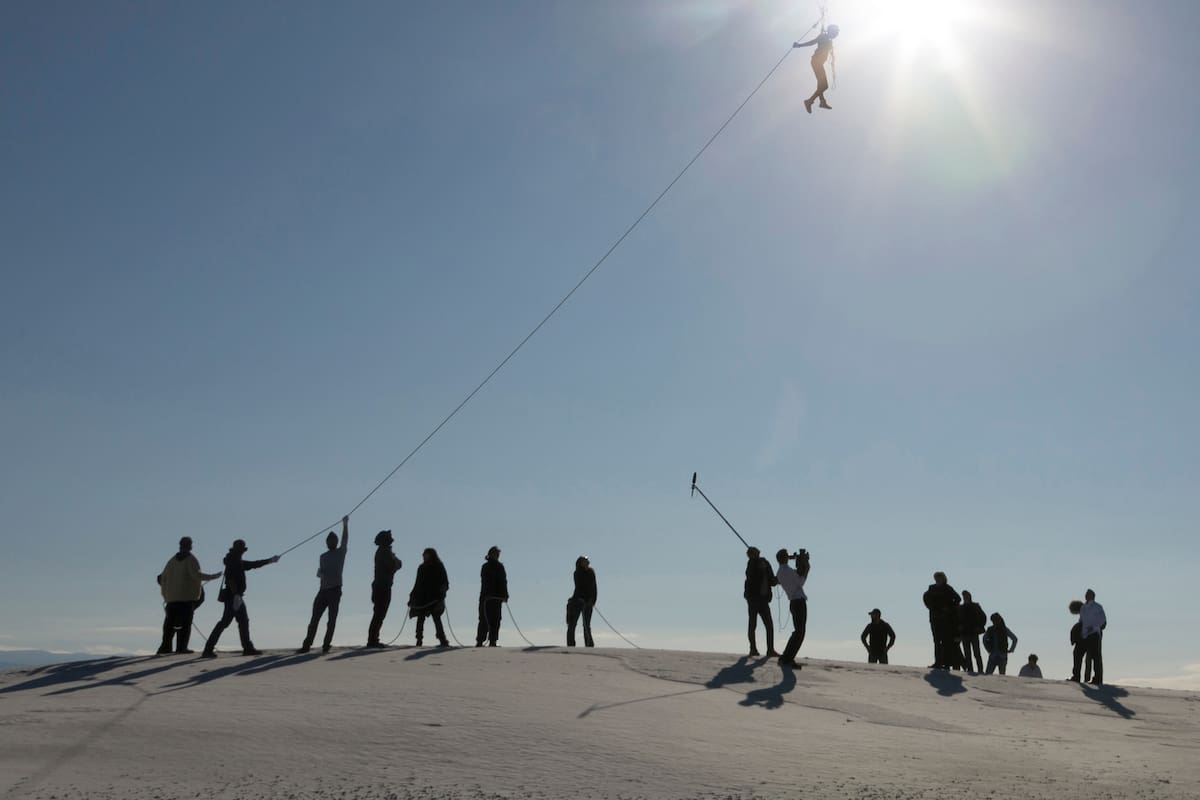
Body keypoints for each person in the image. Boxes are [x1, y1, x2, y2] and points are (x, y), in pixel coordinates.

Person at [201, 539, 279, 658]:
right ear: (240, 550)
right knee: (231, 622)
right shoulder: (234, 561)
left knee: (234, 621)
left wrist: (269, 561)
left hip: (233, 596)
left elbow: (252, 565)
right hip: (233, 597)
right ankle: (244, 648)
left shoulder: (235, 560)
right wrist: (236, 595)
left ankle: (213, 648)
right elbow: (231, 578)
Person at [157, 537, 222, 655]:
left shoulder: (171, 561)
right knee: (185, 625)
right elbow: (196, 575)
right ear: (190, 546)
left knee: (169, 626)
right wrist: (213, 576)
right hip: (186, 599)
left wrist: (166, 595)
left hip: (171, 600)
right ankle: (181, 648)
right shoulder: (190, 559)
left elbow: (162, 578)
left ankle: (165, 648)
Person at [298, 516, 349, 654]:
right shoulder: (323, 556)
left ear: (336, 542)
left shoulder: (340, 552)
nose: (331, 542)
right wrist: (320, 576)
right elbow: (321, 573)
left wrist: (345, 525)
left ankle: (326, 645)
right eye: (329, 541)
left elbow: (345, 540)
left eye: (333, 540)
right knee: (314, 619)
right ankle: (307, 645)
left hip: (335, 590)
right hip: (323, 591)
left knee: (331, 619)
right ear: (326, 543)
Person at [774, 548, 810, 669]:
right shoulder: (786, 571)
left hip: (794, 602)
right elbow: (800, 581)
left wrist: (800, 564)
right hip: (798, 602)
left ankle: (786, 657)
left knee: (798, 632)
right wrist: (806, 568)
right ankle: (787, 658)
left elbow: (796, 575)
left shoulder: (781, 571)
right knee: (799, 632)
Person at [366, 530, 402, 648]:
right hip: (382, 587)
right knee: (379, 614)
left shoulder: (384, 551)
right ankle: (373, 640)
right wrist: (395, 561)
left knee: (379, 614)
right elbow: (394, 565)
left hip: (381, 586)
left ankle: (373, 638)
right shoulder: (384, 552)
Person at [408, 547, 450, 647]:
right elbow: (417, 583)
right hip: (422, 598)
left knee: (436, 618)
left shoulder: (438, 566)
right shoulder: (421, 568)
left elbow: (445, 581)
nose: (423, 556)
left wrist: (442, 593)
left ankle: (442, 640)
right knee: (420, 618)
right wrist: (412, 595)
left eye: (425, 554)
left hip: (435, 597)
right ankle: (419, 640)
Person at [794, 24, 840, 113]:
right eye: (835, 33)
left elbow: (831, 54)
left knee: (821, 85)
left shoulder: (829, 41)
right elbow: (812, 42)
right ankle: (809, 101)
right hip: (816, 62)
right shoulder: (823, 36)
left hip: (819, 63)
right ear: (831, 31)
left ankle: (822, 102)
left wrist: (833, 68)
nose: (835, 35)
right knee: (824, 86)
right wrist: (799, 45)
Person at [744, 547, 779, 658]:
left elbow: (772, 581)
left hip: (763, 599)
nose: (752, 556)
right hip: (754, 599)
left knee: (769, 625)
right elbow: (751, 577)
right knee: (753, 624)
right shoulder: (751, 565)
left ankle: (770, 650)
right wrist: (761, 569)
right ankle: (753, 648)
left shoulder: (764, 562)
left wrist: (777, 579)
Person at [923, 571, 961, 670]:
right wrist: (930, 607)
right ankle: (938, 662)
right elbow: (925, 598)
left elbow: (957, 599)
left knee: (946, 641)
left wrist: (949, 608)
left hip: (945, 620)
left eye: (939, 578)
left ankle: (947, 663)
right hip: (935, 618)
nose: (937, 579)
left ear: (943, 578)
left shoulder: (948, 588)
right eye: (936, 578)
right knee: (936, 641)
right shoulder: (932, 588)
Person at [476, 545, 508, 647]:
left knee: (496, 619)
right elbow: (486, 581)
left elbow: (504, 582)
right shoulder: (485, 567)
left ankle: (493, 640)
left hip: (497, 598)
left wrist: (505, 595)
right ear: (490, 554)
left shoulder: (500, 567)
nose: (497, 556)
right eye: (495, 554)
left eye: (498, 554)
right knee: (484, 619)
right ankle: (480, 641)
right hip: (486, 597)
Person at [1073, 588, 1107, 685]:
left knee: (1096, 657)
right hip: (1083, 636)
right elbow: (1081, 621)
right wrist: (1077, 629)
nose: (1086, 596)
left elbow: (1102, 620)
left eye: (1088, 594)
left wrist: (1093, 627)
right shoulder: (1083, 608)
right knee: (1077, 653)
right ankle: (1076, 676)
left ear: (1092, 596)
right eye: (1086, 594)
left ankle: (1097, 679)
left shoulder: (1097, 607)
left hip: (1094, 635)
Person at [566, 556, 597, 647]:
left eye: (587, 560)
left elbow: (594, 588)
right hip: (577, 601)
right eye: (585, 561)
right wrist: (582, 599)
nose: (588, 562)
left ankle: (589, 645)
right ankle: (571, 645)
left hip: (589, 602)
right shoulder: (577, 573)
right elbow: (579, 587)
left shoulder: (591, 572)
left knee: (587, 625)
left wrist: (593, 600)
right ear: (581, 563)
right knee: (572, 624)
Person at [959, 589, 987, 673]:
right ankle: (970, 669)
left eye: (966, 596)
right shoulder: (961, 608)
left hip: (973, 633)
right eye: (964, 596)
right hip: (965, 633)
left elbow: (983, 617)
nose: (965, 598)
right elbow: (957, 620)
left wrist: (979, 627)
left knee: (976, 653)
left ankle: (980, 670)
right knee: (967, 654)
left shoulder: (975, 606)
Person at [1068, 600, 1095, 682]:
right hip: (1086, 638)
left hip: (1086, 638)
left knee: (1082, 657)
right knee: (1086, 658)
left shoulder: (1087, 613)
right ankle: (1081, 677)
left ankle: (1079, 677)